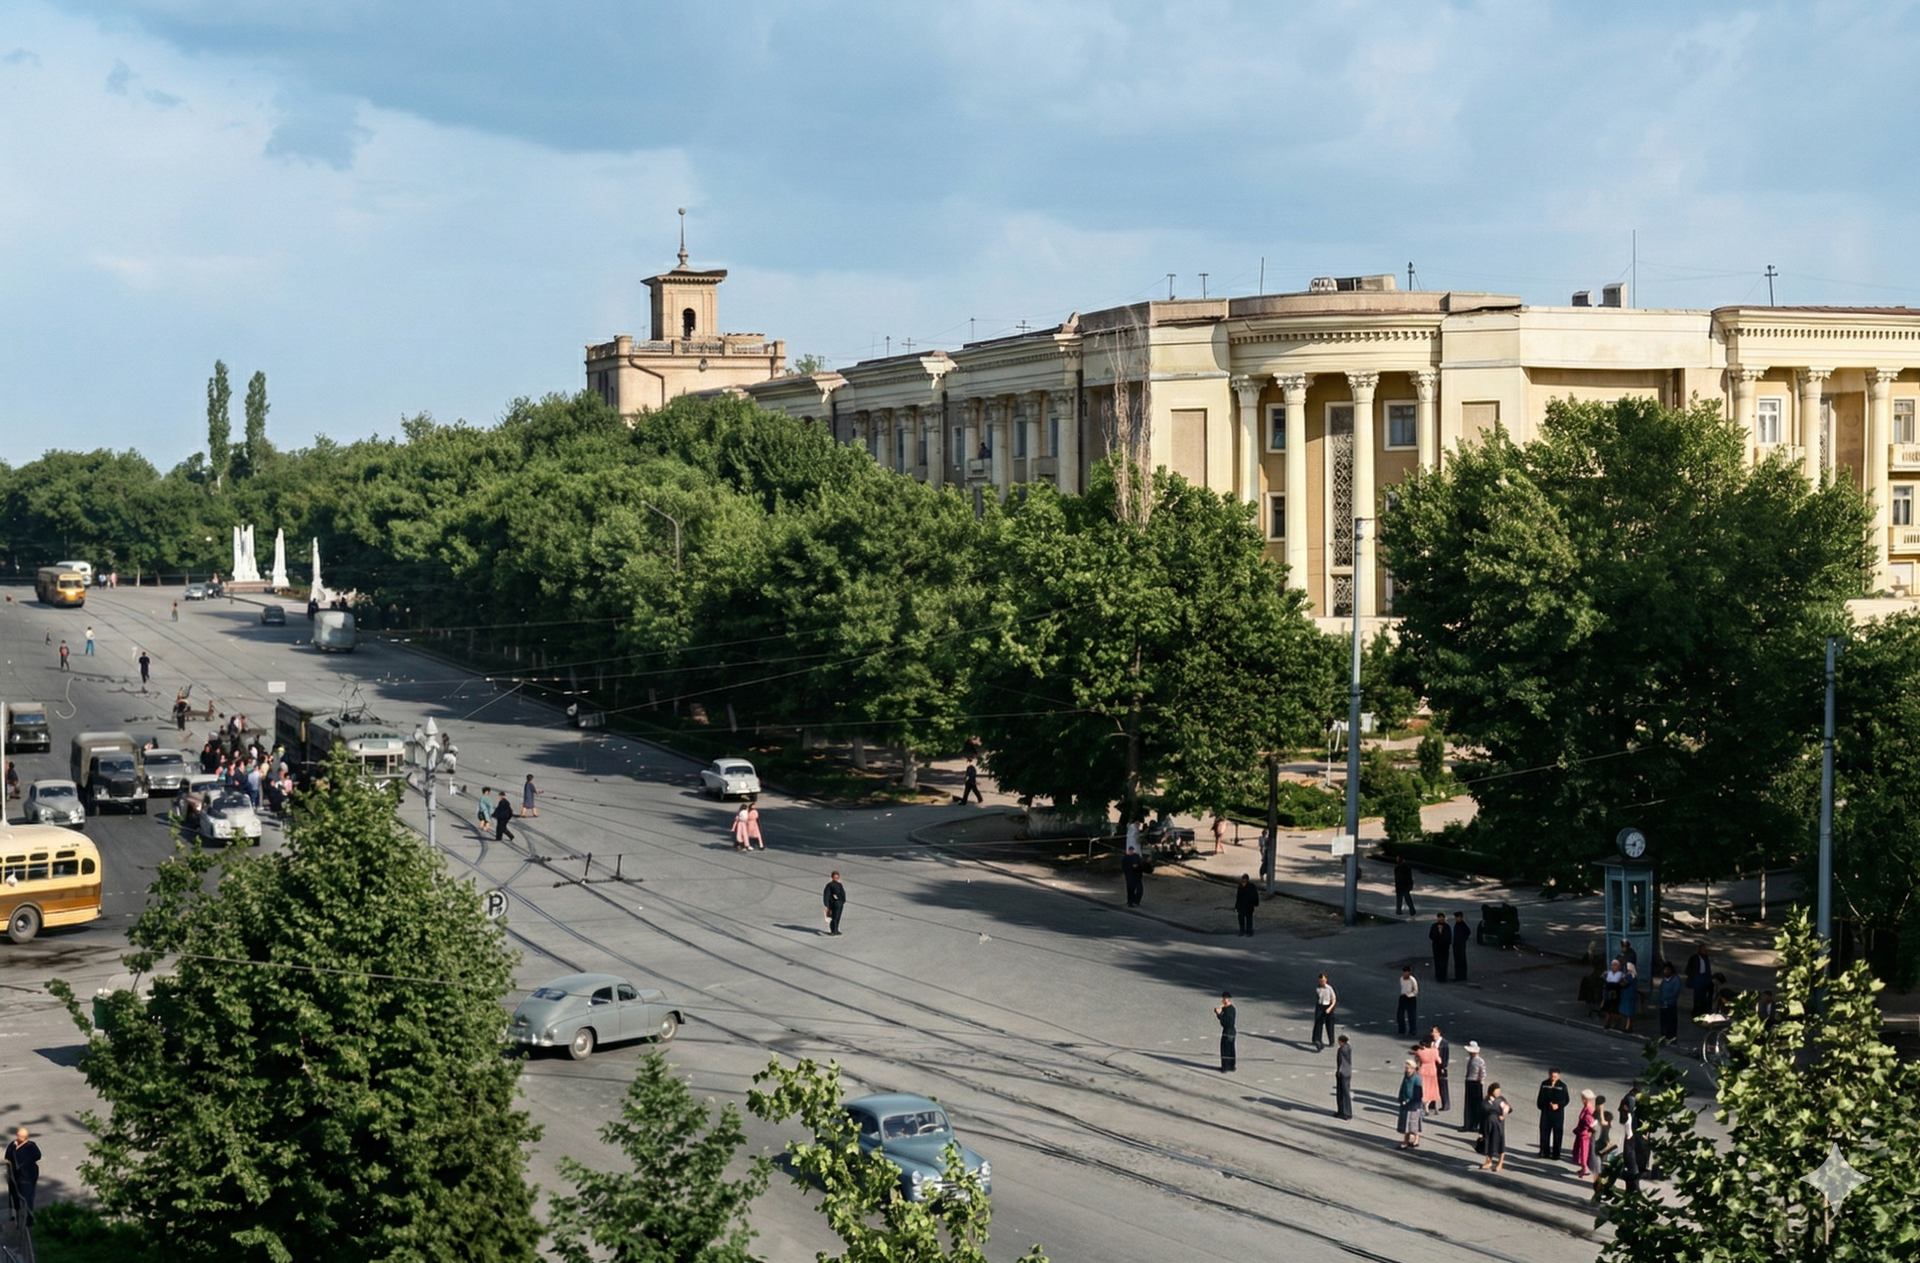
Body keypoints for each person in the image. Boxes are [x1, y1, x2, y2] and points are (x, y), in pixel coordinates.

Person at [5, 1126, 39, 1226]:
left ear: (25, 1137)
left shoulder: (31, 1146)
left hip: (27, 1176)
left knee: (27, 1197)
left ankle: (29, 1218)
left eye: (22, 1136)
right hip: (15, 1177)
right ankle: (16, 1215)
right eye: (19, 1135)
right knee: (15, 1196)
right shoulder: (12, 1146)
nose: (19, 1137)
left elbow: (37, 1156)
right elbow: (7, 1158)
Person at [1537, 1068, 1570, 1160]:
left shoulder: (1562, 1086)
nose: (1553, 1078)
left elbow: (1566, 1100)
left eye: (1555, 1076)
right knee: (1544, 1132)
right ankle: (1544, 1151)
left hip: (1557, 1115)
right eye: (1551, 1076)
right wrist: (1543, 1106)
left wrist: (1558, 1105)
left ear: (1558, 1076)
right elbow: (1540, 1098)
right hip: (1546, 1113)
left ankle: (1556, 1153)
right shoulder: (1544, 1084)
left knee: (1557, 1133)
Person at [1478, 1084, 1511, 1172]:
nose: (1498, 1093)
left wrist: (1504, 1113)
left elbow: (1509, 1109)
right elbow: (1481, 1116)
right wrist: (1481, 1132)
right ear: (1491, 1091)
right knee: (1489, 1143)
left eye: (1499, 1091)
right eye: (1496, 1091)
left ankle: (1500, 1163)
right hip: (1488, 1126)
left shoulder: (1501, 1100)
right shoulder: (1485, 1102)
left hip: (1499, 1126)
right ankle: (1489, 1161)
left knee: (1500, 1144)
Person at [1397, 1060, 1425, 1149]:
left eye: (1408, 1068)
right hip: (1405, 1104)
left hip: (1413, 1104)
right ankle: (1406, 1140)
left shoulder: (1417, 1078)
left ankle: (1416, 1139)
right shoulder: (1406, 1076)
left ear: (1413, 1068)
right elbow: (1403, 1088)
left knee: (1413, 1123)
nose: (1406, 1069)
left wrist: (1411, 1101)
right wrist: (1401, 1098)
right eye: (1406, 1067)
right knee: (1405, 1123)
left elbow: (1418, 1093)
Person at [1462, 1040, 1487, 1133]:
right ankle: (1468, 1124)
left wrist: (1481, 1081)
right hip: (1469, 1081)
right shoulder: (1471, 1059)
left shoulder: (1480, 1061)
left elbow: (1483, 1073)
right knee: (1469, 1104)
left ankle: (1474, 1124)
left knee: (1476, 1105)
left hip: (1476, 1083)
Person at [1684, 942, 1714, 1018]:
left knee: (1703, 995)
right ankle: (1696, 1010)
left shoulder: (1706, 958)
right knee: (1697, 995)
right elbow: (1689, 969)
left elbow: (1708, 969)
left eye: (1705, 950)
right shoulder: (1693, 958)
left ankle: (1702, 1009)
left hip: (1704, 977)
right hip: (1697, 977)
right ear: (1699, 950)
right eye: (1703, 950)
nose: (1705, 952)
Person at [1658, 961, 1684, 1041]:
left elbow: (1676, 993)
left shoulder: (1676, 980)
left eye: (1668, 970)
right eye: (1665, 970)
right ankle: (1663, 1036)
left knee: (1671, 1022)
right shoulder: (1664, 980)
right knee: (1663, 1022)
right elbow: (1661, 990)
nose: (1666, 972)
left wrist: (1666, 998)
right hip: (1662, 1005)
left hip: (1671, 1005)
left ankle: (1671, 1037)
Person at [1312, 973, 1337, 1051]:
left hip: (1328, 1006)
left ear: (1326, 979)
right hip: (1320, 1006)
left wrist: (1329, 1008)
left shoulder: (1329, 988)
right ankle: (1317, 1040)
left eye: (1322, 980)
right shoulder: (1318, 988)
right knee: (1318, 1023)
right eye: (1320, 981)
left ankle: (1331, 1041)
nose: (1321, 982)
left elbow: (1334, 1000)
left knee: (1329, 1024)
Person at [1430, 1025, 1452, 1112]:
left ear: (1439, 1033)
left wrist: (1444, 1066)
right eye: (1432, 1032)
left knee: (1442, 1086)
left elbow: (1446, 1056)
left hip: (1441, 1067)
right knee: (1432, 1085)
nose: (1433, 1034)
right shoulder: (1431, 1043)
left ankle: (1446, 1104)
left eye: (1435, 1032)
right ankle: (1432, 1104)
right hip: (1432, 1067)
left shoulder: (1444, 1043)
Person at [1214, 992, 1237, 1072]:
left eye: (1224, 999)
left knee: (1225, 1049)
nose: (1222, 1001)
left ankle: (1225, 1067)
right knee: (1231, 1048)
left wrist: (1219, 1014)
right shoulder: (1230, 1009)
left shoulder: (1229, 1010)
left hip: (1228, 1030)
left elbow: (1225, 1022)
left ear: (1227, 1000)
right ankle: (1231, 1065)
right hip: (1232, 1031)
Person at [1396, 966, 1419, 1036]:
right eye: (1404, 972)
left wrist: (1410, 995)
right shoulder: (1401, 979)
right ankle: (1402, 1029)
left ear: (1409, 972)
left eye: (1406, 972)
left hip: (1411, 998)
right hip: (1403, 997)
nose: (1405, 974)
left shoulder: (1412, 980)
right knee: (1400, 1014)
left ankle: (1413, 1030)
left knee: (1411, 1015)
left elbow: (1416, 990)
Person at [1334, 1035, 1354, 1119]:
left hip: (1342, 1073)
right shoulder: (1348, 1048)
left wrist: (1339, 1071)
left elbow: (1341, 1061)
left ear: (1341, 1042)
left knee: (1341, 1093)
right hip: (1348, 1072)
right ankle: (1347, 1111)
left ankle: (1343, 1112)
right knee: (1346, 1093)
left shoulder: (1341, 1050)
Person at [1618, 962, 1640, 1033]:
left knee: (1628, 1012)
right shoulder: (1632, 976)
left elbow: (1623, 983)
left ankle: (1628, 1027)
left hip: (1628, 996)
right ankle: (1627, 1026)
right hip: (1628, 996)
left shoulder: (1630, 976)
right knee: (1628, 1012)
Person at [1429, 913, 1452, 982]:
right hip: (1437, 947)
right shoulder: (1434, 926)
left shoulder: (1447, 927)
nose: (1441, 919)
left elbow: (1449, 937)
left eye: (1442, 918)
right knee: (1437, 962)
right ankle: (1438, 976)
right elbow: (1431, 935)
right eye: (1440, 918)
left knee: (1444, 962)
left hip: (1444, 948)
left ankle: (1444, 976)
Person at [1451, 910, 1471, 981]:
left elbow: (1468, 932)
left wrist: (1463, 939)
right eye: (1456, 917)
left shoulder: (1462, 925)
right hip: (1456, 945)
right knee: (1457, 961)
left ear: (1461, 918)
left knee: (1461, 960)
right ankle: (1458, 976)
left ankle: (1462, 976)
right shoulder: (1457, 925)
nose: (1457, 919)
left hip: (1461, 945)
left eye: (1458, 917)